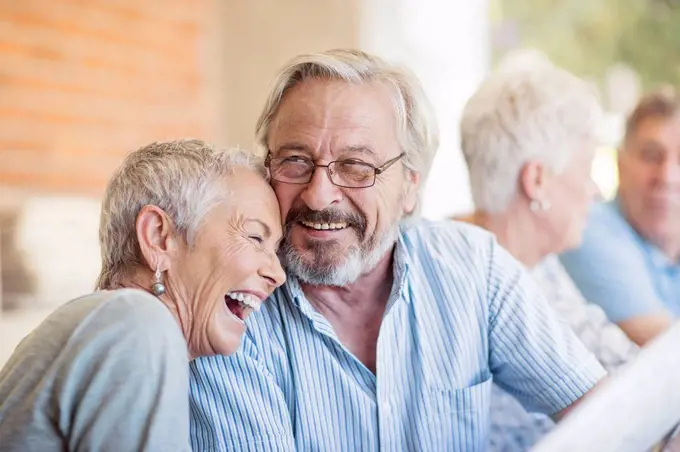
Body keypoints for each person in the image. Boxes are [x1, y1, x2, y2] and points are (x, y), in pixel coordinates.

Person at [189, 49, 606, 451]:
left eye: (356, 166)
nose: (318, 195)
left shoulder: (475, 269)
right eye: (296, 161)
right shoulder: (231, 307)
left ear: (410, 185)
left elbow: (603, 415)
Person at [0, 139, 286, 451]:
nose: (278, 274)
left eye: (275, 250)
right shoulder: (137, 322)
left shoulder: (112, 327)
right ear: (159, 237)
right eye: (255, 237)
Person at [459, 62, 639, 451]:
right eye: (588, 169)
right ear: (537, 180)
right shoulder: (475, 287)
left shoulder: (537, 260)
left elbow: (618, 361)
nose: (595, 190)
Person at [560, 88, 680, 346]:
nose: (667, 177)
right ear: (620, 163)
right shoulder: (587, 229)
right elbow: (667, 351)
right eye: (651, 155)